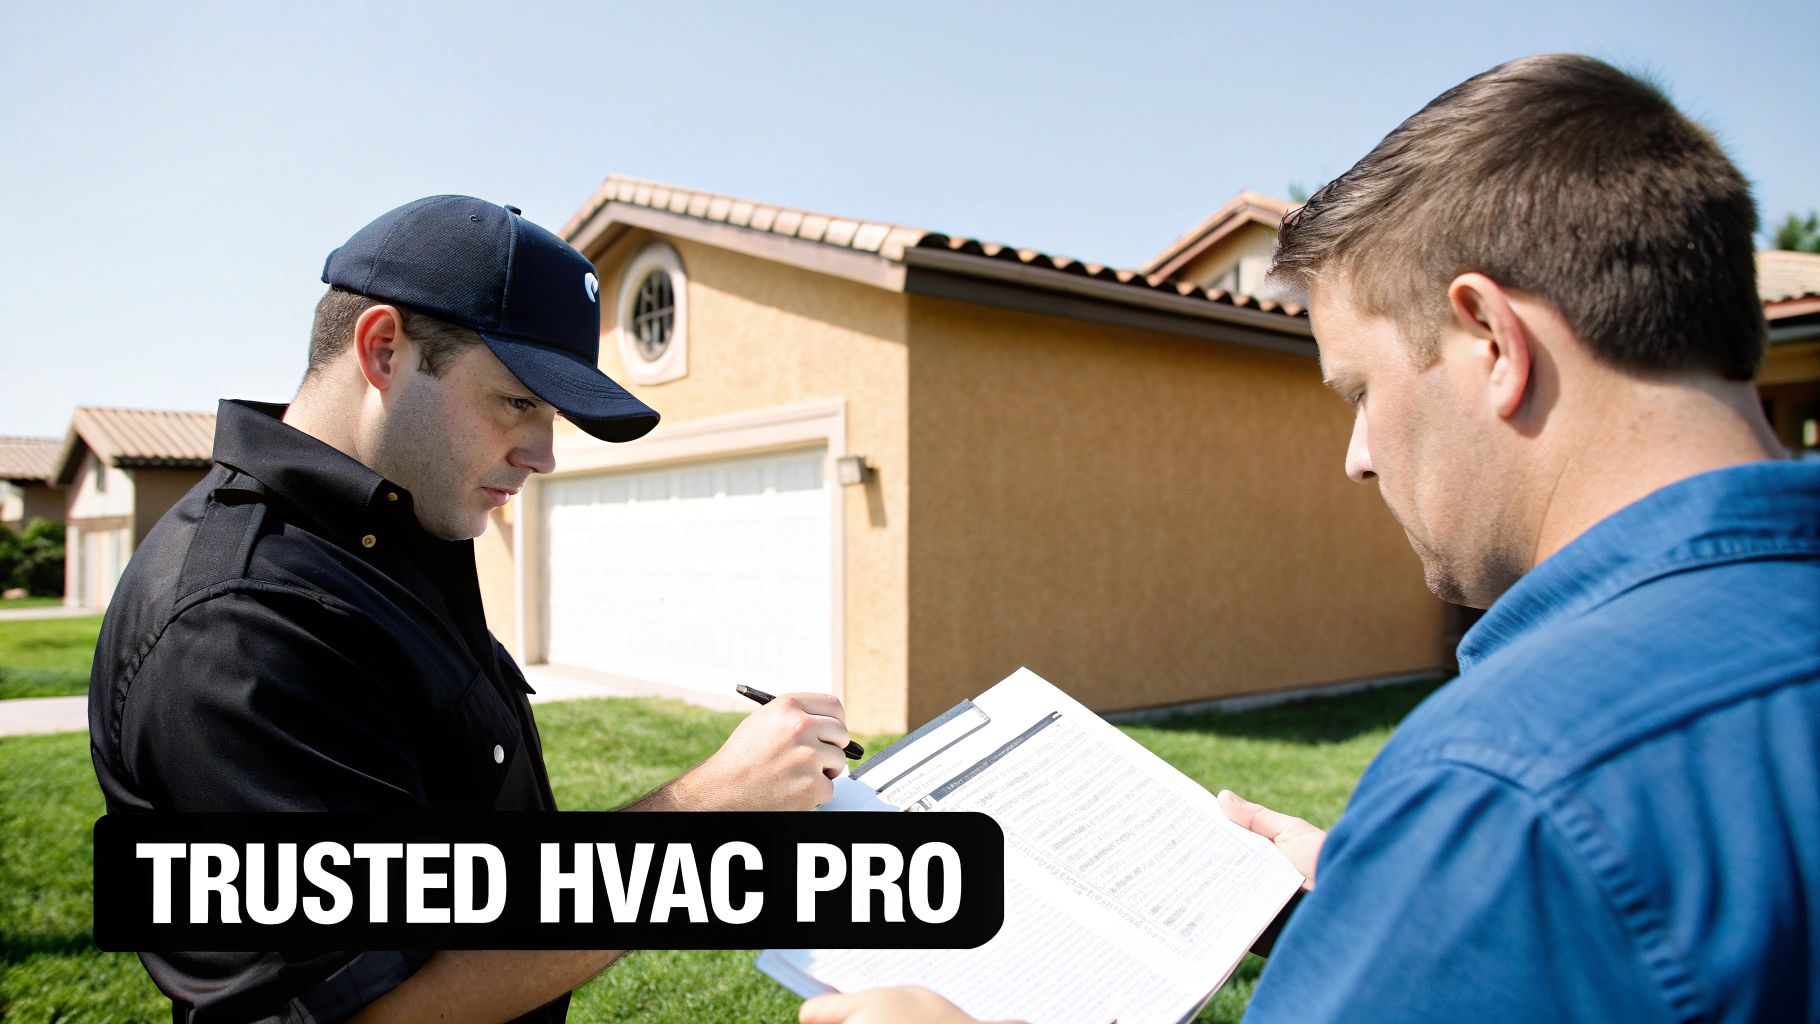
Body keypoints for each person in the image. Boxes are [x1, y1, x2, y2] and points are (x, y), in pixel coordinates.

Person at [803, 53, 1820, 1023]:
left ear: (1490, 340)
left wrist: (1447, 866)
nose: (1357, 455)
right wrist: (1383, 898)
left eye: (1360, 391)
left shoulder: (1501, 786)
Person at [88, 196, 855, 1023]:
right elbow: (366, 1006)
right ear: (383, 349)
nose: (545, 454)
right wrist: (705, 819)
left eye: (550, 414)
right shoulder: (240, 624)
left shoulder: (387, 539)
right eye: (518, 402)